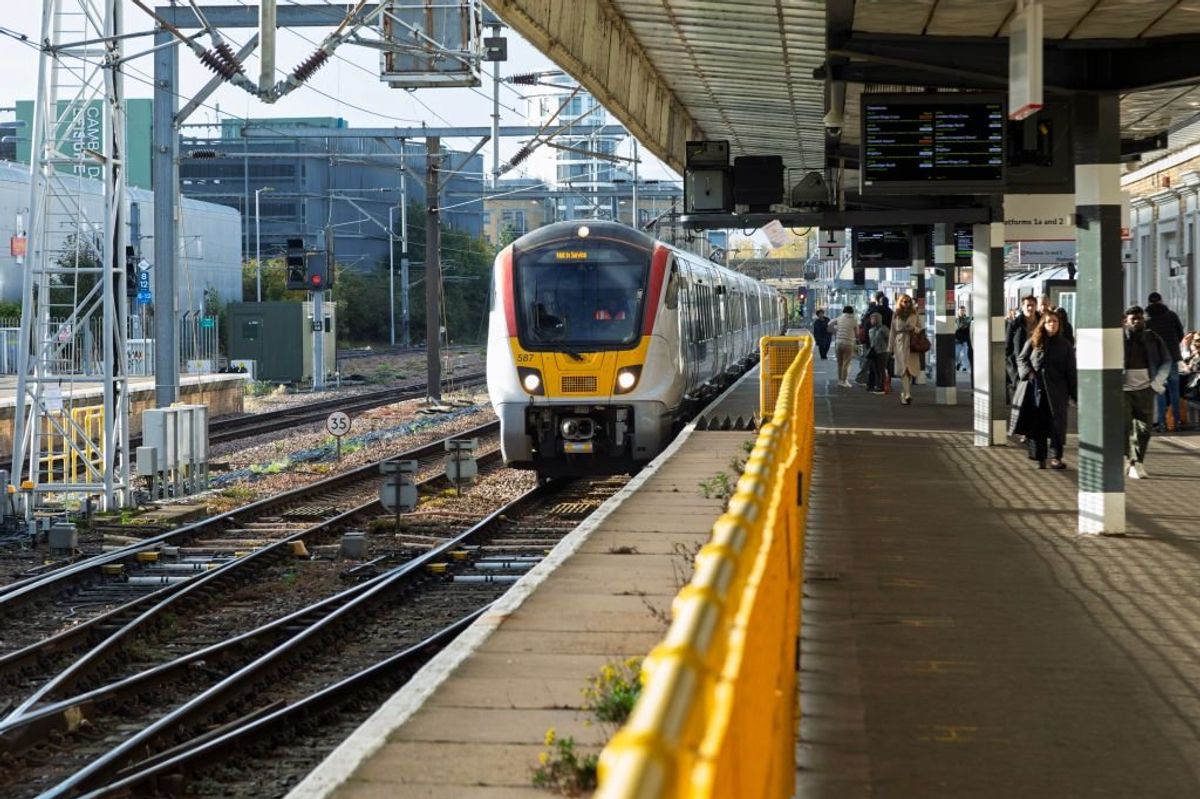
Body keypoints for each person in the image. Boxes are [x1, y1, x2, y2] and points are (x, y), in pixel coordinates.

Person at [1012, 313, 1077, 469]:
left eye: (1055, 321)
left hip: (1058, 391)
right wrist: (1029, 373)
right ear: (1043, 324)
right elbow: (1021, 359)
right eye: (1048, 322)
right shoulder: (1034, 341)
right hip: (1037, 389)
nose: (1052, 324)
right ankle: (1039, 457)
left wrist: (1074, 394)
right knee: (1038, 424)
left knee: (1057, 425)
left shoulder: (1065, 345)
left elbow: (1071, 371)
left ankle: (1056, 457)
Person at [1122, 305, 1172, 479]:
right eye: (1133, 319)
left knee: (1144, 429)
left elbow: (1167, 360)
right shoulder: (1119, 338)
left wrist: (1156, 384)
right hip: (1123, 390)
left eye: (1140, 318)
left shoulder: (1153, 338)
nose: (1137, 321)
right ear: (1126, 321)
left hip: (1146, 389)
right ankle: (1127, 457)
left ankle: (1137, 462)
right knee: (1124, 426)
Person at [1145, 291, 1186, 431]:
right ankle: (1176, 422)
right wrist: (1173, 347)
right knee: (1175, 391)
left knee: (1160, 390)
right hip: (1172, 357)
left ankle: (1162, 424)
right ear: (1161, 301)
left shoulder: (1147, 318)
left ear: (1149, 302)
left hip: (1156, 359)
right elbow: (1180, 334)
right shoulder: (1171, 315)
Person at [888, 294, 924, 405]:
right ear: (900, 302)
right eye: (904, 301)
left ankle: (904, 393)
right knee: (903, 368)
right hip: (900, 343)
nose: (907, 303)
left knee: (909, 369)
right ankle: (907, 394)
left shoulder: (914, 314)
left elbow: (920, 328)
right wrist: (890, 347)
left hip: (912, 343)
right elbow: (892, 331)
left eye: (909, 301)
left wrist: (914, 328)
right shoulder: (896, 314)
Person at [1005, 295, 1040, 401]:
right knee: (1023, 400)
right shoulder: (1014, 325)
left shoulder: (1042, 323)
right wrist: (1014, 374)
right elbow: (1007, 350)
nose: (1030, 308)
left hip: (1038, 366)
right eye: (1027, 305)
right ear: (1022, 307)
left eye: (1032, 305)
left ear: (1036, 306)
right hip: (1020, 368)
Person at [828, 305, 858, 388]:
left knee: (840, 363)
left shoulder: (839, 318)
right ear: (852, 312)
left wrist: (835, 332)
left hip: (838, 343)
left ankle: (840, 380)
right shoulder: (854, 320)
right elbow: (857, 333)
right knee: (846, 363)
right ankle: (844, 381)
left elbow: (829, 324)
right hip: (848, 343)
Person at [865, 312, 890, 394]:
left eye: (873, 319)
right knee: (875, 370)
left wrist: (889, 349)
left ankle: (881, 386)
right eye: (871, 319)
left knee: (881, 369)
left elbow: (889, 339)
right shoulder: (871, 330)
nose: (872, 320)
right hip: (874, 352)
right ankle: (878, 385)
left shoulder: (884, 329)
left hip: (883, 351)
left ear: (878, 319)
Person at [954, 307, 972, 371]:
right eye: (961, 311)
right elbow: (956, 328)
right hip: (957, 340)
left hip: (965, 340)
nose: (962, 312)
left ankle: (965, 367)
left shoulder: (967, 319)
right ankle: (958, 363)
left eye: (963, 311)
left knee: (965, 354)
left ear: (965, 312)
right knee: (956, 354)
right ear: (958, 312)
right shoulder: (955, 320)